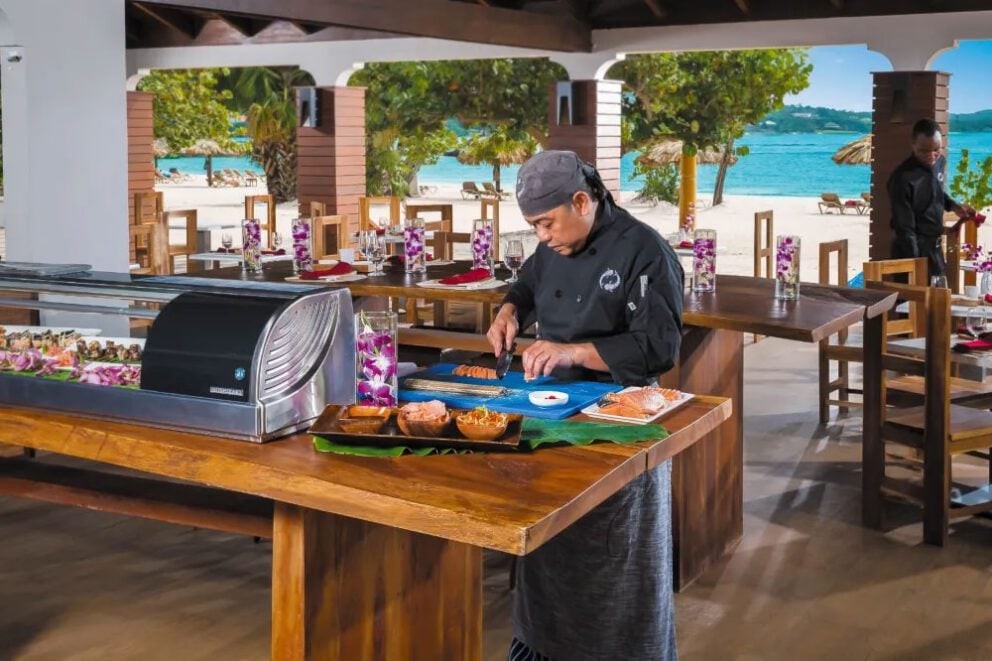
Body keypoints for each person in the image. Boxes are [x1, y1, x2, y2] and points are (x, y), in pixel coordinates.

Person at [487, 150, 684, 661]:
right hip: (549, 413)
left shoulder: (646, 249)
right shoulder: (555, 244)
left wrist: (572, 351)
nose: (542, 237)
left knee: (615, 562)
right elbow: (529, 281)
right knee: (548, 552)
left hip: (619, 421)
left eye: (546, 223)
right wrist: (509, 309)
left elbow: (660, 346)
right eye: (533, 226)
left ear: (582, 200)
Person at [888, 118, 975, 278]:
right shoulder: (902, 178)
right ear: (913, 145)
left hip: (935, 249)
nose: (931, 156)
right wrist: (916, 266)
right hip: (910, 251)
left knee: (939, 298)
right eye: (924, 151)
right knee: (909, 303)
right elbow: (905, 230)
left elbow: (935, 191)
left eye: (936, 149)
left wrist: (953, 206)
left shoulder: (939, 162)